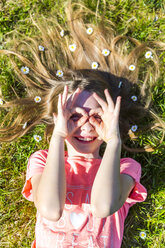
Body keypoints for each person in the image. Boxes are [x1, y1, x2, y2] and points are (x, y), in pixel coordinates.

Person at [0, 1, 164, 247]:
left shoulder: (125, 168)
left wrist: (114, 140)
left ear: (111, 122)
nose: (86, 126)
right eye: (75, 116)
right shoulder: (43, 160)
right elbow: (50, 209)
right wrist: (57, 138)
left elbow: (103, 207)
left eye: (98, 117)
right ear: (59, 117)